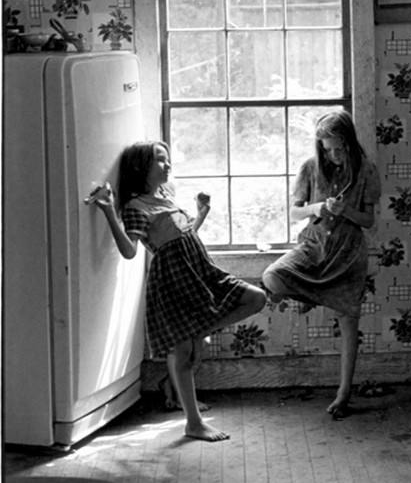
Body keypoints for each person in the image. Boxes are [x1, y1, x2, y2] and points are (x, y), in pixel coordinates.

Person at [91, 140, 267, 442]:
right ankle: (193, 422)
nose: (168, 165)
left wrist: (200, 215)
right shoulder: (135, 207)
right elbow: (130, 251)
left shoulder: (165, 196)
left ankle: (193, 343)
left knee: (256, 298)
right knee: (183, 352)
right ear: (141, 168)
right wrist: (108, 210)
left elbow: (181, 237)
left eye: (168, 159)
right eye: (160, 160)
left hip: (201, 271)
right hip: (173, 281)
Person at [262, 110, 381, 419]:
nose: (334, 155)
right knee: (273, 277)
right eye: (327, 149)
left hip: (348, 252)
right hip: (314, 245)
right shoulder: (311, 169)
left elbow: (369, 221)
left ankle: (344, 393)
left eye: (339, 148)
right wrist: (317, 207)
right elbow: (293, 213)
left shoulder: (366, 169)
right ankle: (314, 296)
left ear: (350, 143)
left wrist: (347, 212)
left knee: (348, 322)